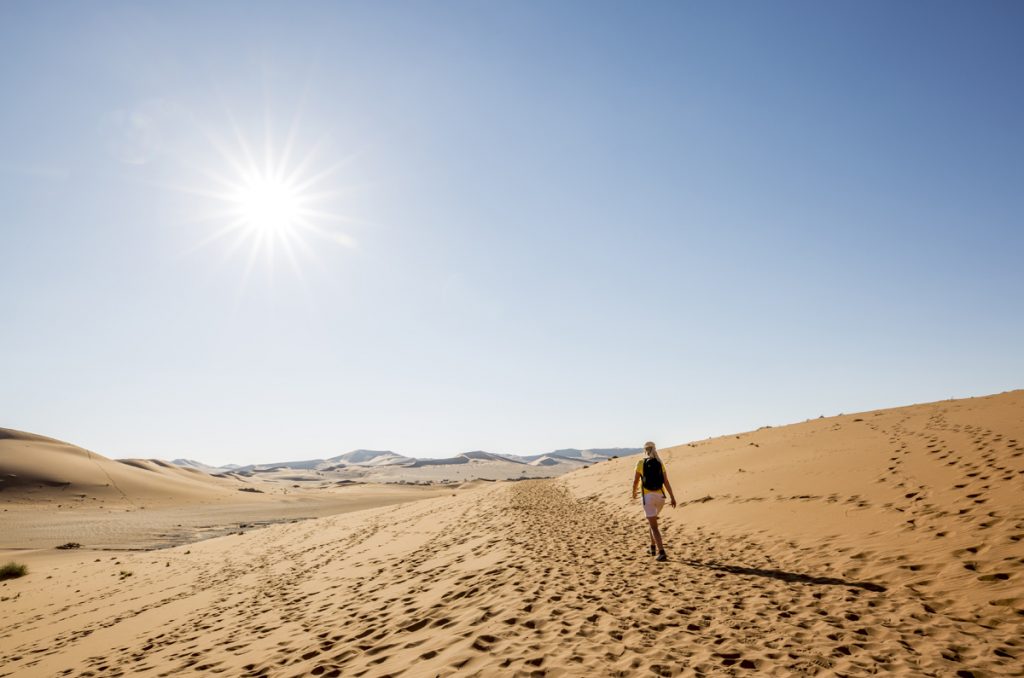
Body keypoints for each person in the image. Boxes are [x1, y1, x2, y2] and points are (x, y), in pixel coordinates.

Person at [632, 441, 676, 561]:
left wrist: (634, 492)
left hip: (648, 498)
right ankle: (652, 548)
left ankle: (661, 552)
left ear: (644, 450)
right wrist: (672, 497)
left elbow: (635, 481)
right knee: (653, 523)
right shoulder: (660, 463)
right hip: (661, 497)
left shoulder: (641, 463)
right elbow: (666, 481)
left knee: (654, 526)